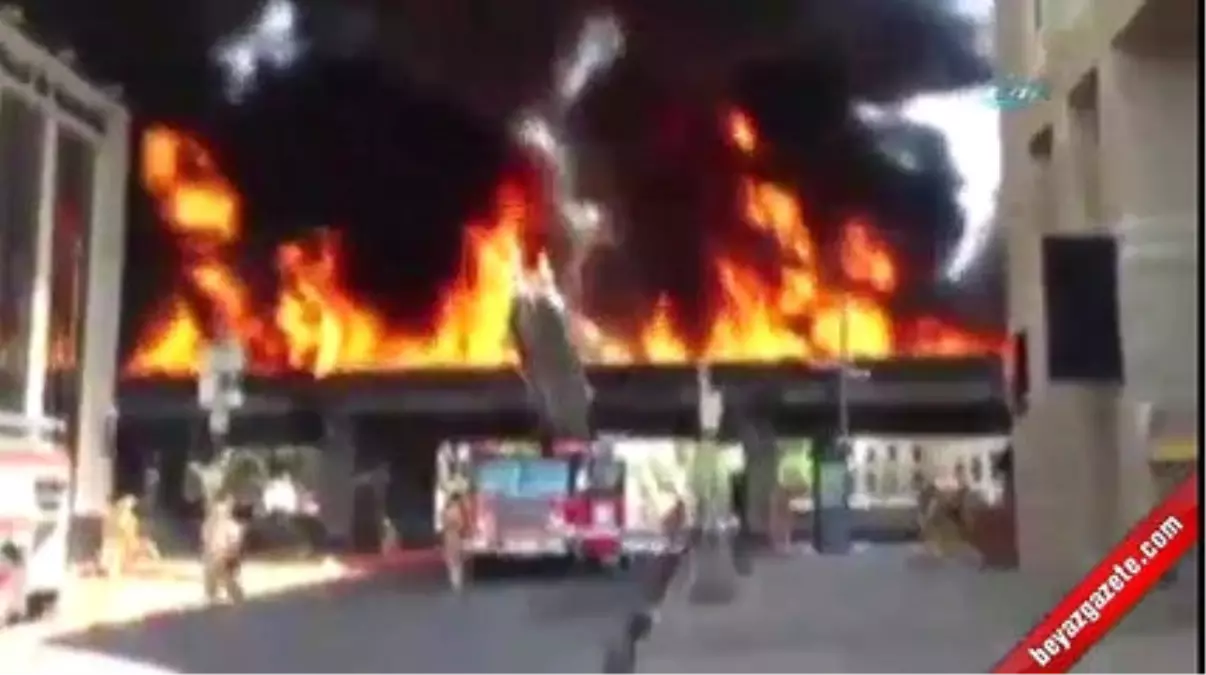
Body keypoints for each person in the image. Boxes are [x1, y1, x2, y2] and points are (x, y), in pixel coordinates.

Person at [201, 496, 246, 603]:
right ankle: (212, 592)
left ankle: (234, 593)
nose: (218, 515)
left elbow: (235, 544)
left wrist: (227, 554)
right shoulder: (208, 525)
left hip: (226, 557)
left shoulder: (231, 526)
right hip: (213, 557)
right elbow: (206, 542)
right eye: (215, 513)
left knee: (227, 577)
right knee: (210, 574)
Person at [440, 488, 471, 593]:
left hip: (449, 535)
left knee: (451, 558)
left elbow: (443, 524)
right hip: (455, 535)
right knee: (457, 558)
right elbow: (461, 524)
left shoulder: (446, 510)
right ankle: (457, 581)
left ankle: (454, 580)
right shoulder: (457, 510)